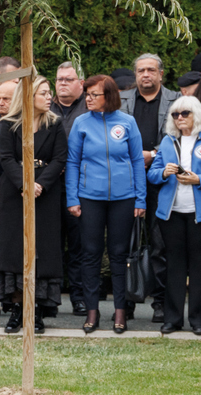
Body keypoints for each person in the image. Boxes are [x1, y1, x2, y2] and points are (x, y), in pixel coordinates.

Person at [65, 75, 146, 334]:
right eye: (87, 94)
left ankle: (120, 311)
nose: (88, 99)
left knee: (119, 255)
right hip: (89, 198)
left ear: (108, 96)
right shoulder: (81, 123)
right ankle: (92, 311)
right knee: (90, 254)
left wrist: (140, 198)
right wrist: (72, 198)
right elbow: (73, 162)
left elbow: (137, 161)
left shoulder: (128, 122)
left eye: (94, 94)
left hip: (124, 198)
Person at [147, 96, 201, 335]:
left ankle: (199, 320)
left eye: (185, 113)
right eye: (175, 114)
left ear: (197, 114)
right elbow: (152, 174)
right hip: (171, 213)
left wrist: (199, 179)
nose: (180, 118)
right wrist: (163, 172)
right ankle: (172, 319)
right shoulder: (168, 141)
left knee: (200, 266)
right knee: (174, 265)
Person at [0, 76, 68, 333]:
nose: (49, 97)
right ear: (28, 96)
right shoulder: (8, 124)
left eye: (49, 93)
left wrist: (40, 184)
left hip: (45, 194)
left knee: (43, 248)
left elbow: (60, 158)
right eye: (44, 93)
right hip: (15, 193)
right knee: (15, 248)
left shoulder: (55, 124)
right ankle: (17, 308)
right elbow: (6, 157)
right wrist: (25, 184)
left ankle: (37, 310)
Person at [119, 53, 181, 324]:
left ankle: (159, 302)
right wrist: (136, 157)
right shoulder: (121, 101)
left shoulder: (176, 101)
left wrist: (153, 154)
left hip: (161, 180)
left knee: (159, 244)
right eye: (141, 70)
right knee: (125, 242)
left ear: (160, 74)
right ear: (135, 75)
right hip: (126, 179)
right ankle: (126, 302)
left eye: (151, 70)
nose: (146, 74)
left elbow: (178, 134)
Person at [52, 61, 88, 316]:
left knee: (79, 246)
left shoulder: (90, 107)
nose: (62, 83)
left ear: (81, 84)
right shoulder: (44, 106)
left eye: (68, 79)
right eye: (59, 79)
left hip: (81, 188)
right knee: (51, 245)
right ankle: (50, 297)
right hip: (50, 188)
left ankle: (79, 296)